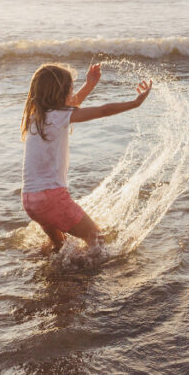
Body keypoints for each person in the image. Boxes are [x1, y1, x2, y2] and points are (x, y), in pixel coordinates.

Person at [21, 63, 152, 253]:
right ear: (60, 93)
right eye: (70, 90)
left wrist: (90, 85)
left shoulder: (36, 117)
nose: (72, 94)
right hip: (51, 198)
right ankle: (88, 274)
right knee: (97, 240)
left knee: (60, 247)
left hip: (30, 201)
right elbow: (102, 110)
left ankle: (56, 274)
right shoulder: (58, 116)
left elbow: (70, 105)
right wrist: (135, 103)